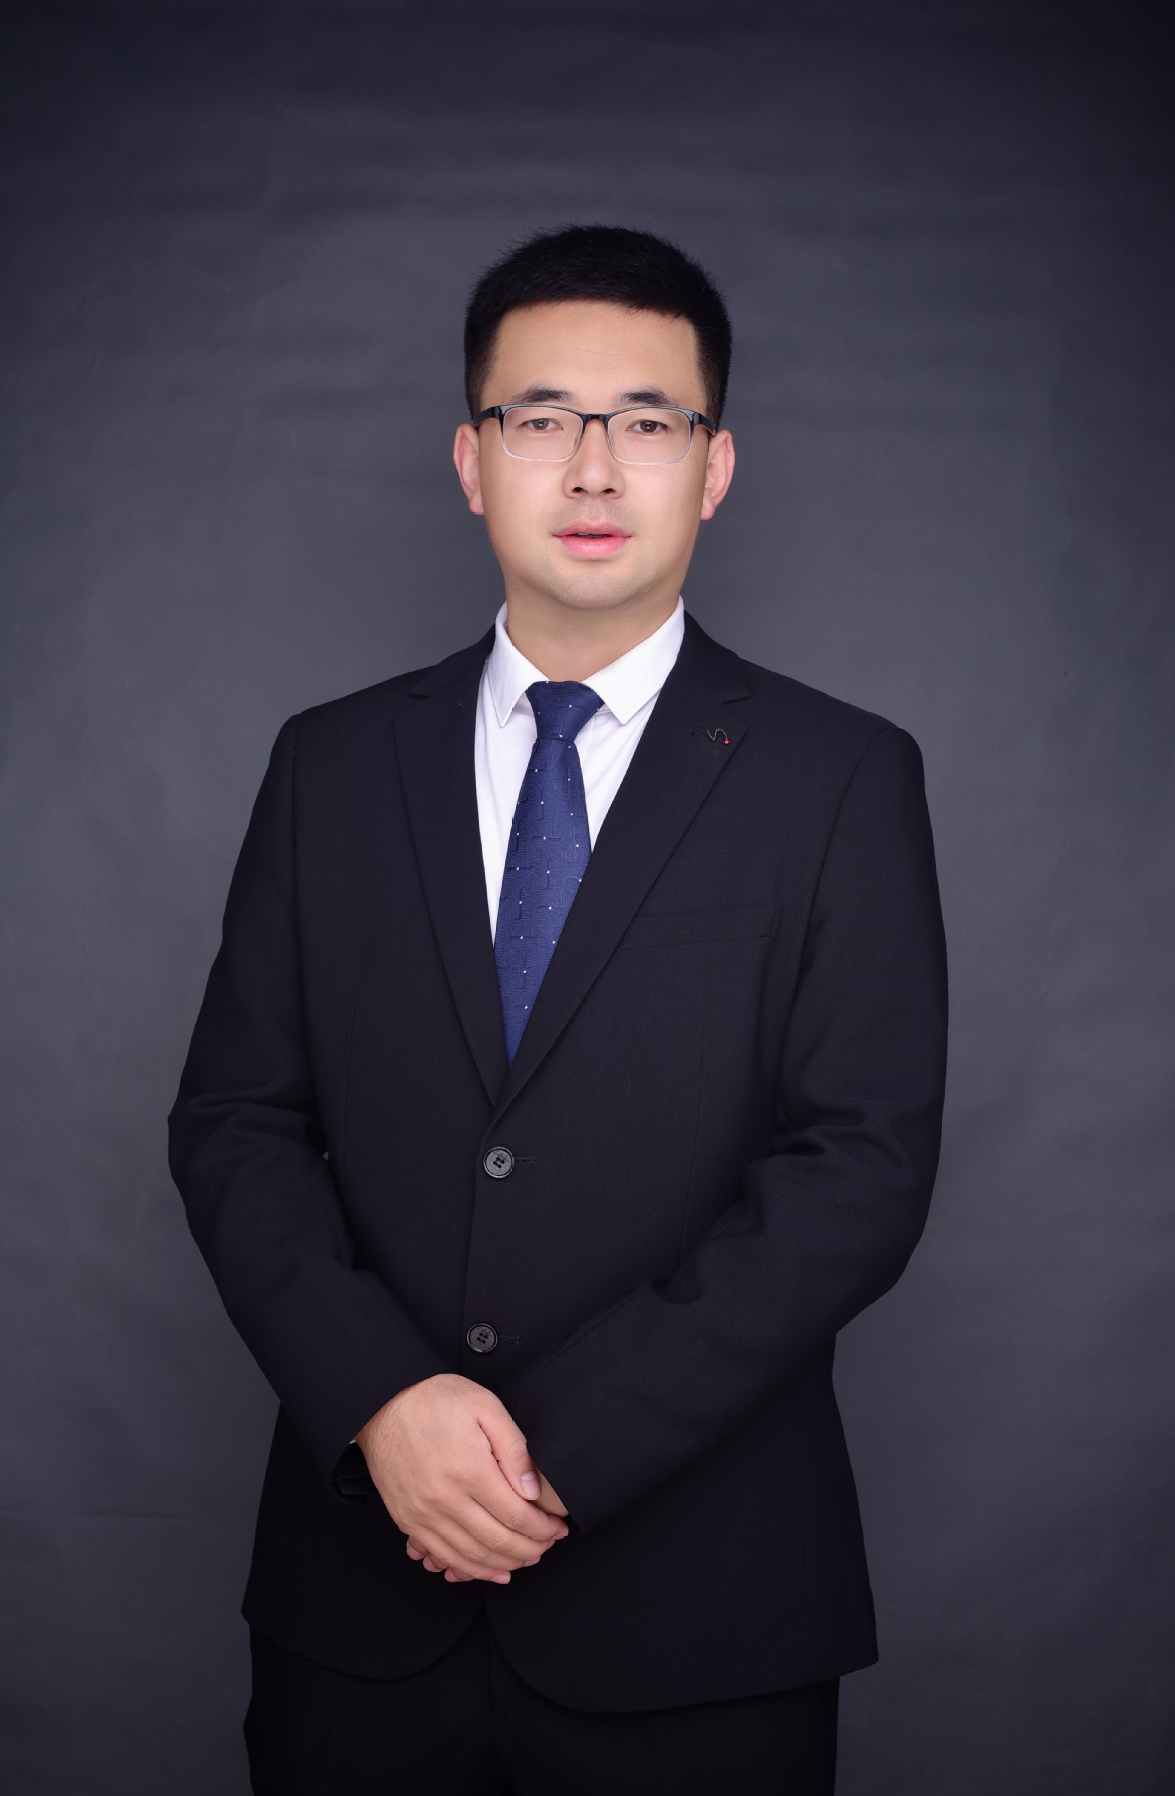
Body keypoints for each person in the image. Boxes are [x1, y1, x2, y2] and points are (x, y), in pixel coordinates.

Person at [169, 224, 948, 1795]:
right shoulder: (331, 767)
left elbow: (858, 1169)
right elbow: (237, 1122)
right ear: (473, 461)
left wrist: (548, 1457)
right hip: (359, 1607)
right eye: (542, 418)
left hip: (703, 1620)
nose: (594, 467)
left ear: (714, 467)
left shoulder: (842, 777)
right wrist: (382, 1400)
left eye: (647, 420)